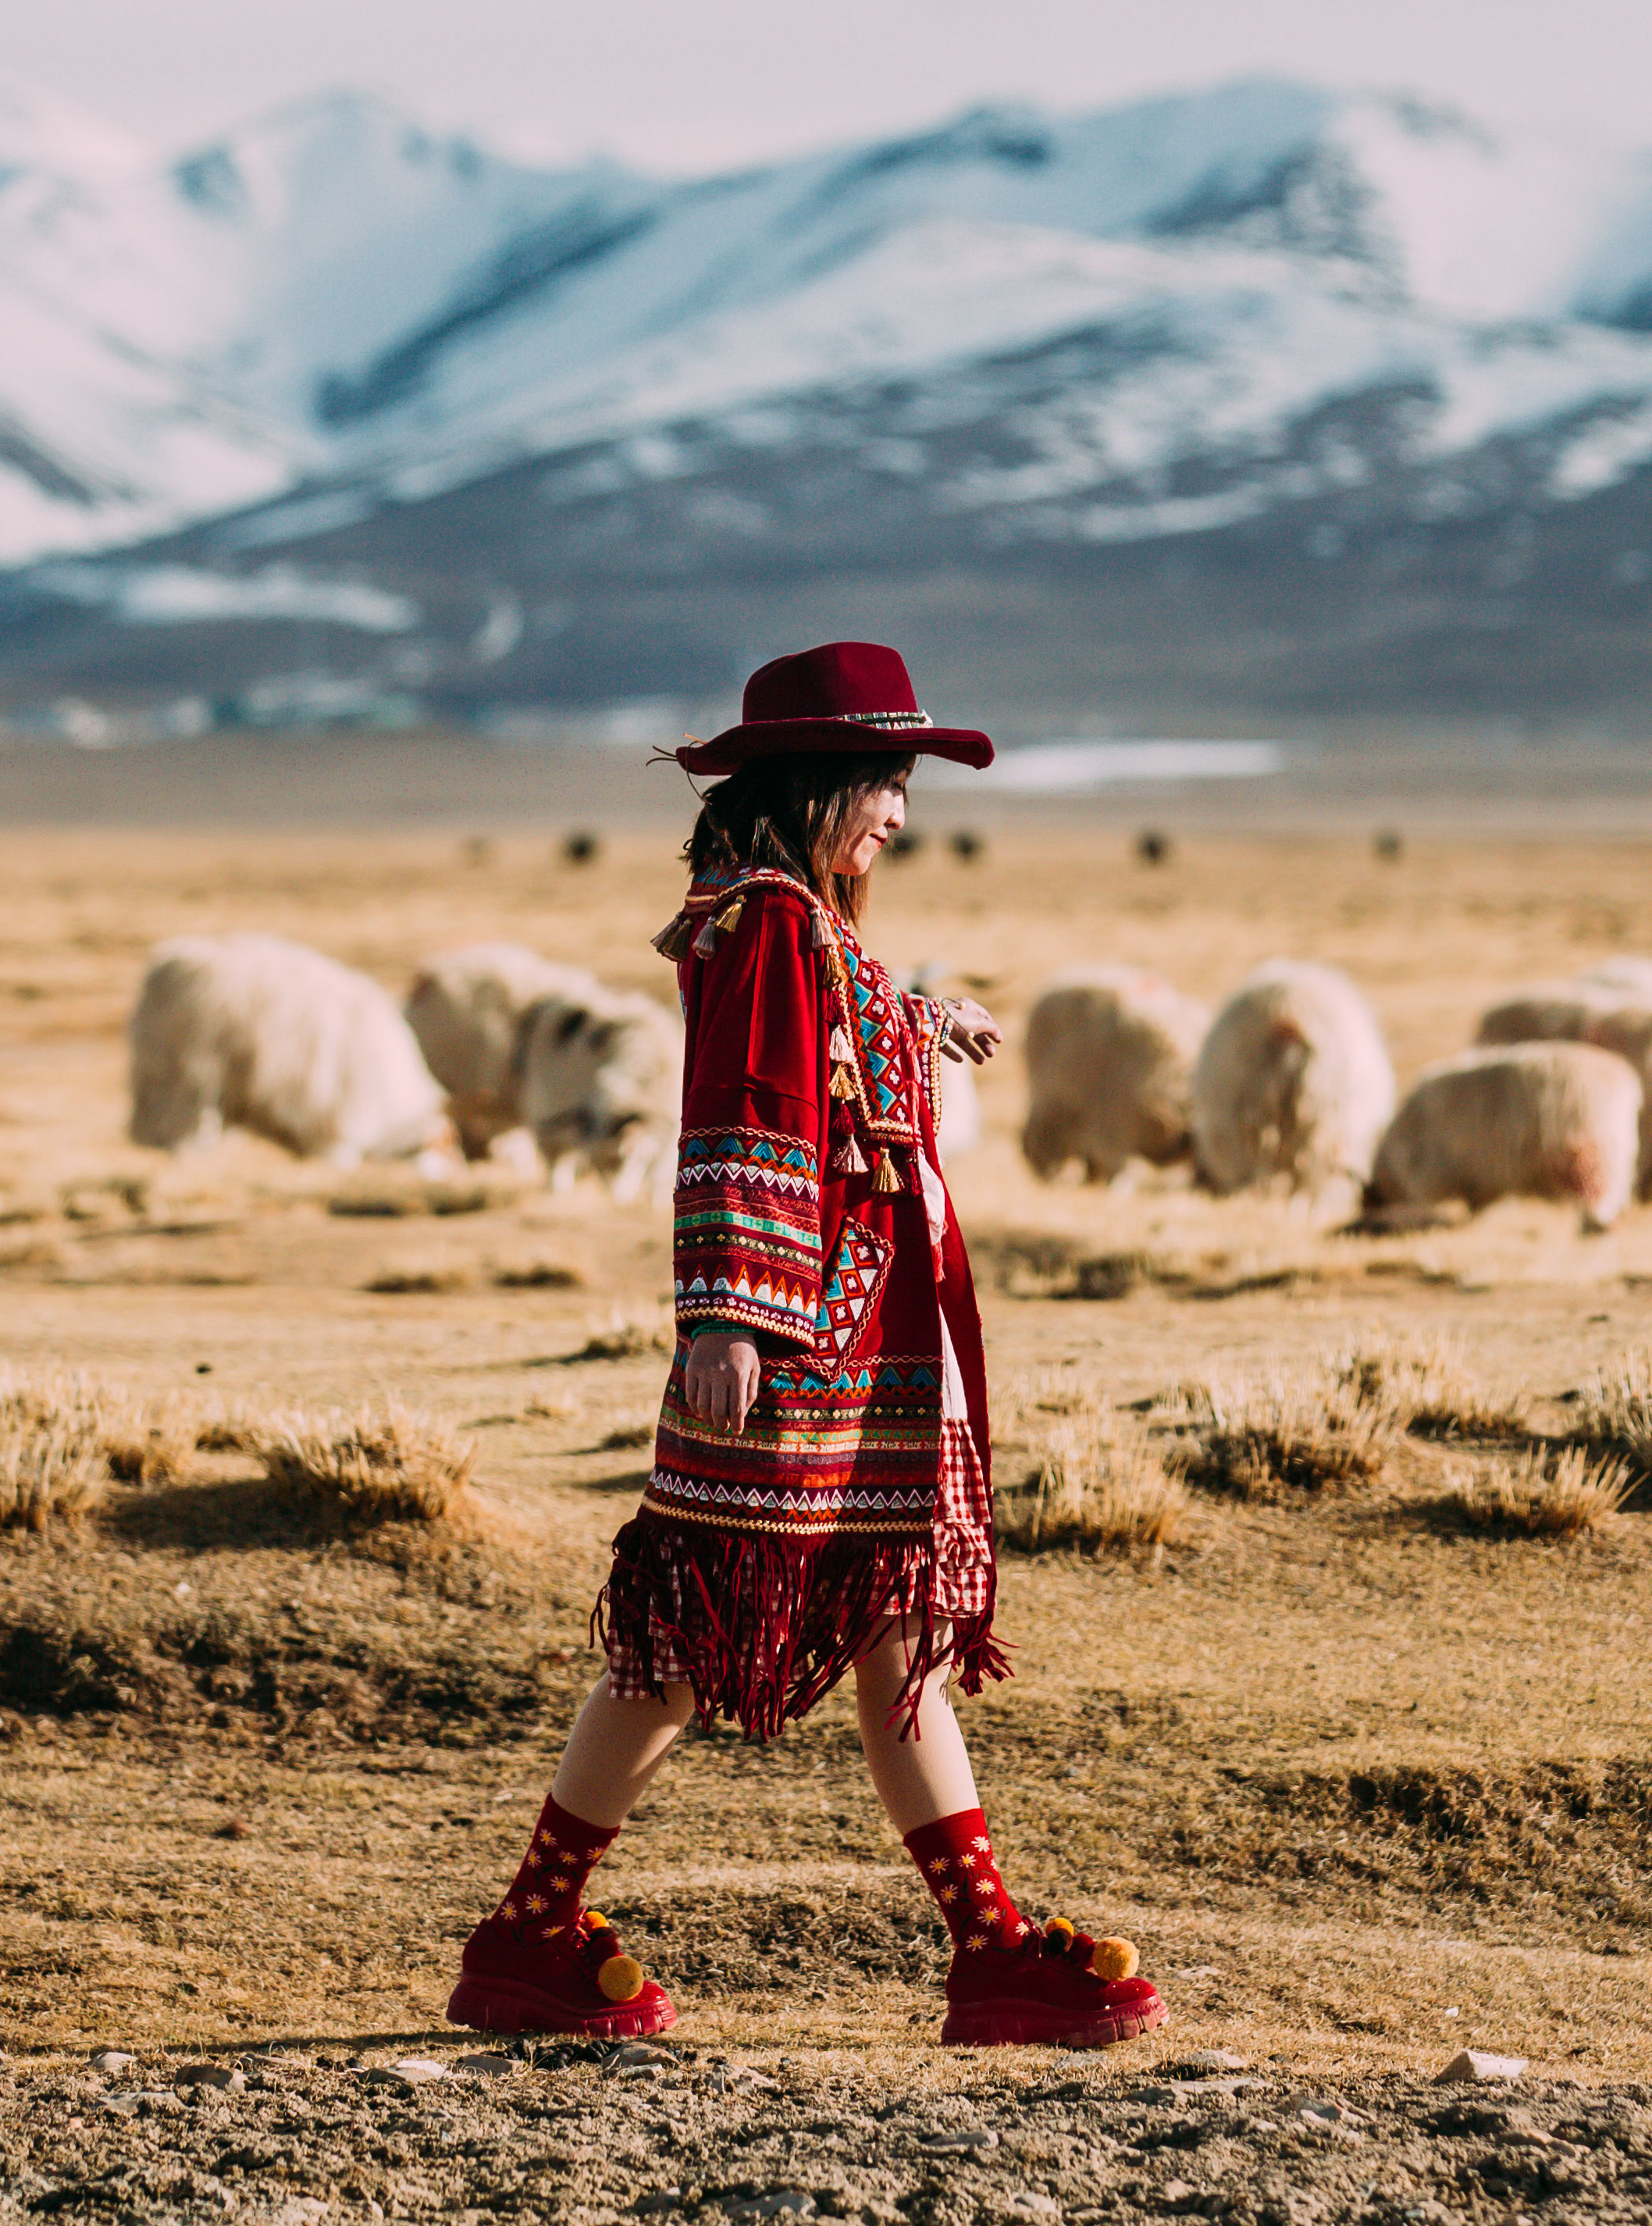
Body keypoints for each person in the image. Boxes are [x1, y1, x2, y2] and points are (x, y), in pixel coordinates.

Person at [444, 639, 1166, 2050]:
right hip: (809, 1340)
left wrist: (920, 1020)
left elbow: (827, 1048)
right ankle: (534, 1928)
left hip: (862, 1342)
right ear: (821, 784)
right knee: (688, 1636)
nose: (900, 809)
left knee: (888, 1629)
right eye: (884, 781)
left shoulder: (788, 924)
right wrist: (725, 1314)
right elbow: (748, 1111)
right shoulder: (773, 924)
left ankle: (987, 1946)